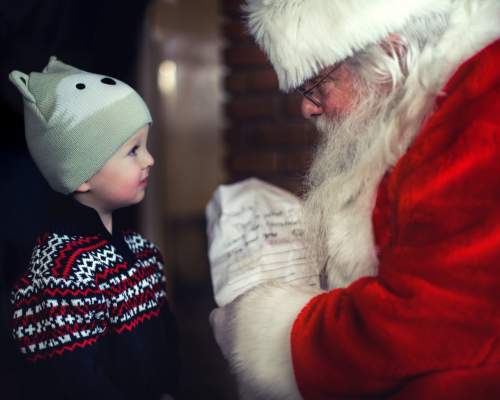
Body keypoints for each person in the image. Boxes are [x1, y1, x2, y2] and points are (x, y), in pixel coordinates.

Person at [209, 0, 500, 399]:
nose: (307, 108)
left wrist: (269, 333)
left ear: (391, 54)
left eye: (317, 86)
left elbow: (425, 324)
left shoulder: (483, 105)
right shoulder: (434, 108)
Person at [9, 57, 178, 400]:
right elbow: (77, 381)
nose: (149, 160)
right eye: (133, 151)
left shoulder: (142, 252)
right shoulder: (60, 272)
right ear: (81, 174)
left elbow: (167, 345)